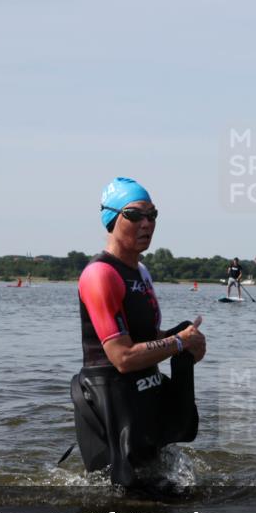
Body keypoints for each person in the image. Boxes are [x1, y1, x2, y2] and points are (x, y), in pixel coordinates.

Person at [72, 177, 206, 486]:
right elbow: (121, 356)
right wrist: (177, 342)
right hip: (111, 395)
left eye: (152, 215)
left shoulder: (141, 271)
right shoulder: (100, 275)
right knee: (127, 501)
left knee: (167, 487)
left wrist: (187, 342)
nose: (146, 223)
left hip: (143, 389)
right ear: (111, 218)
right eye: (134, 215)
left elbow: (146, 337)